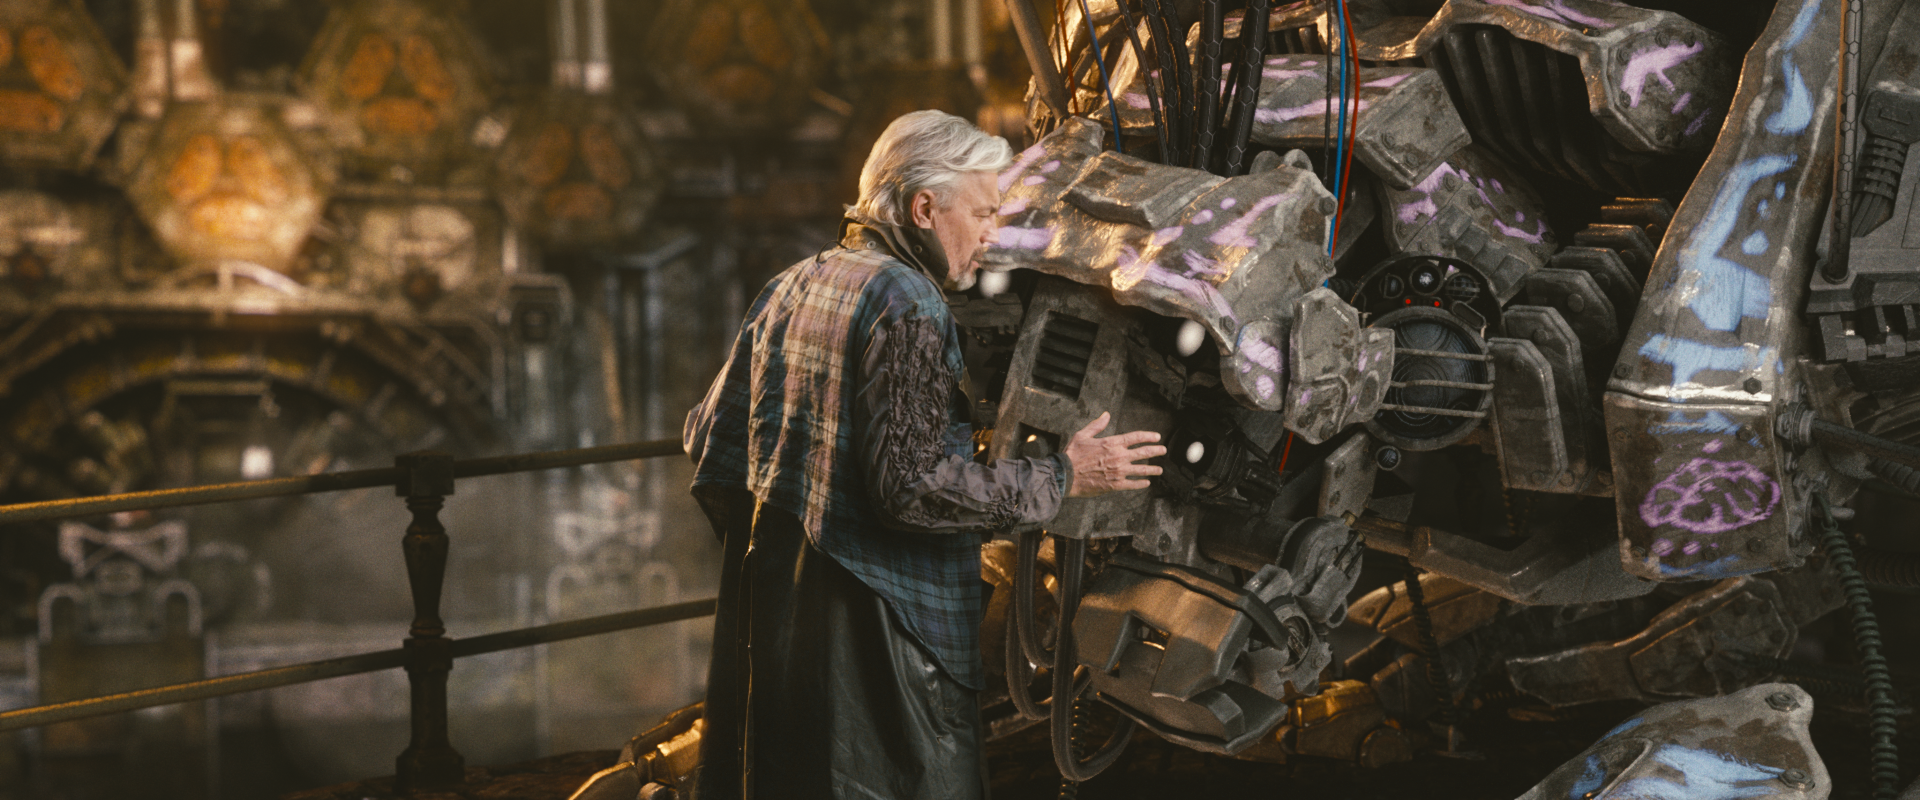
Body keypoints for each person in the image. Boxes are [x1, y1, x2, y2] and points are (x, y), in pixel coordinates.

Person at [683, 109, 1165, 800]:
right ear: (923, 208)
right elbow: (912, 489)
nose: (990, 234)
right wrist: (1063, 475)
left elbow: (709, 436)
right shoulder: (906, 299)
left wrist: (804, 521)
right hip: (884, 642)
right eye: (982, 213)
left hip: (781, 622)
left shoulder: (795, 282)